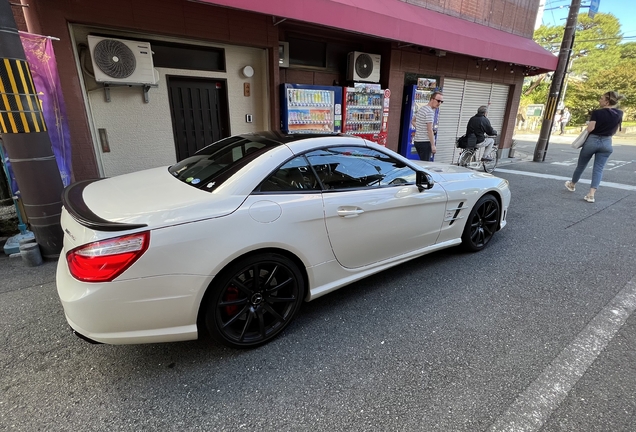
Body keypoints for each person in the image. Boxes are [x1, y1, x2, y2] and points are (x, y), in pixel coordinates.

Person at [565, 91, 624, 203]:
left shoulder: (597, 113)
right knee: (599, 169)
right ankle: (591, 195)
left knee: (581, 165)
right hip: (607, 142)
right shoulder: (619, 113)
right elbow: (615, 130)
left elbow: (590, 129)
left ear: (607, 101)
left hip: (593, 141)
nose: (599, 100)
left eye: (601, 98)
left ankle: (572, 184)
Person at [411, 91, 443, 161]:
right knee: (425, 165)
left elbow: (413, 121)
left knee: (422, 163)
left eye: (441, 102)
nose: (439, 103)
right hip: (425, 142)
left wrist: (420, 128)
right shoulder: (430, 112)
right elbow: (429, 130)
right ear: (432, 99)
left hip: (417, 141)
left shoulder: (422, 108)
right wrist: (433, 145)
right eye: (438, 101)